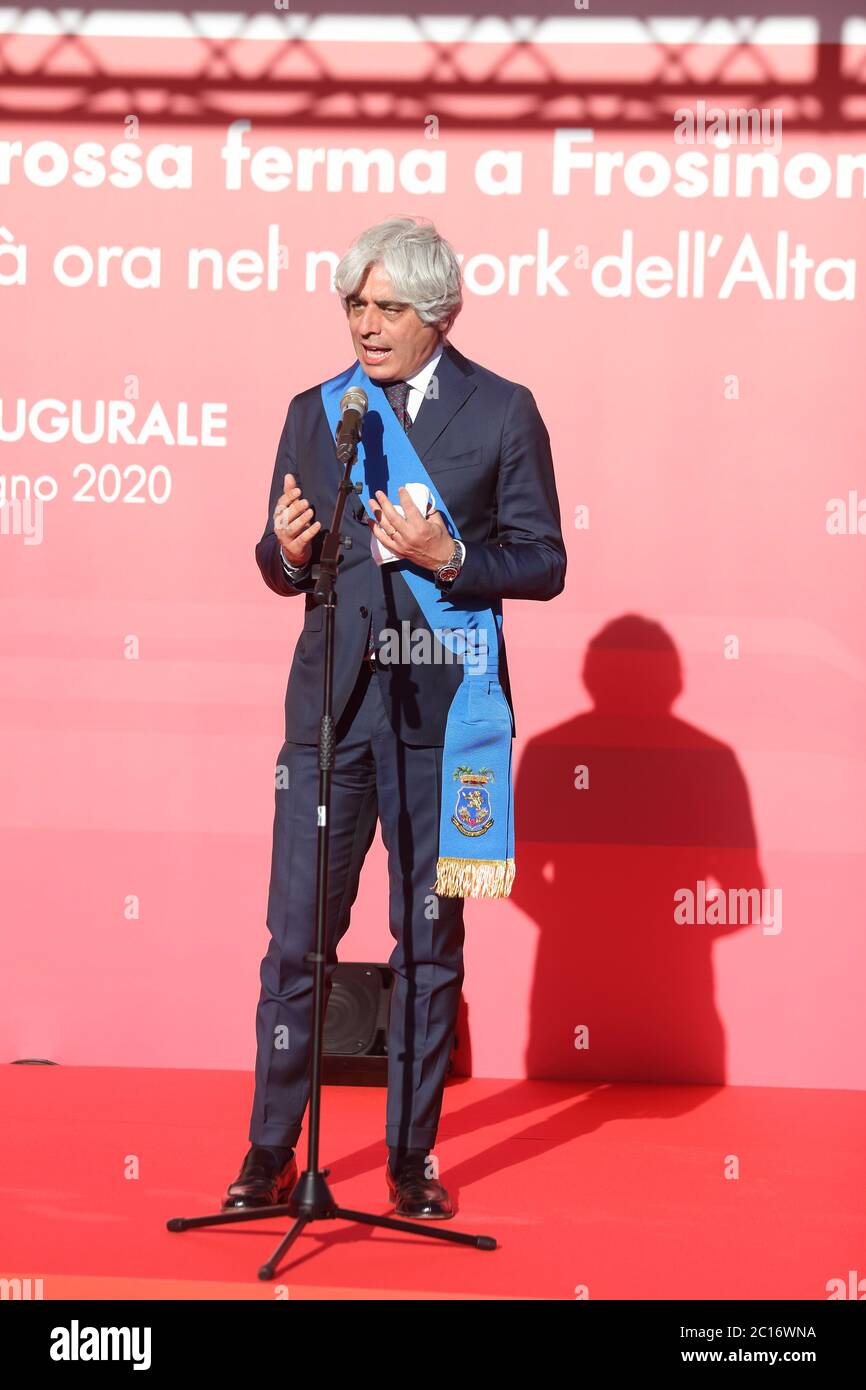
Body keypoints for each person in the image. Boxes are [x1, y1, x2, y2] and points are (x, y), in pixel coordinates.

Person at [222, 215, 567, 1219]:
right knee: (296, 940)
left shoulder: (502, 411)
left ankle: (411, 1154)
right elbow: (281, 561)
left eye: (385, 308)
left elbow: (541, 562)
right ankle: (269, 1147)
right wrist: (284, 552)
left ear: (439, 315)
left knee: (425, 940)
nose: (364, 326)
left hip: (441, 714)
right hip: (329, 719)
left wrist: (451, 559)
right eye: (352, 306)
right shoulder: (315, 411)